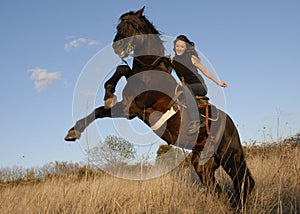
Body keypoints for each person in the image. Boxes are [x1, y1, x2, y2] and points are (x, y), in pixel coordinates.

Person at [171, 35, 227, 135]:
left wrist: (218, 82)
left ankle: (196, 121)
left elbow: (205, 71)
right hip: (186, 87)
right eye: (177, 46)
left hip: (199, 86)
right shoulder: (173, 60)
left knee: (185, 88)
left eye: (182, 47)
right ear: (174, 46)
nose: (179, 48)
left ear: (186, 48)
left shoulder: (192, 58)